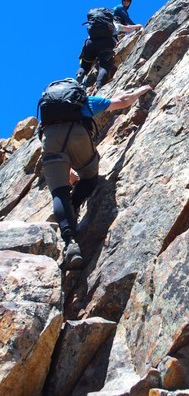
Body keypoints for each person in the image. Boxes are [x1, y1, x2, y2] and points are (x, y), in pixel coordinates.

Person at [40, 82, 153, 271]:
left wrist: (67, 173)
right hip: (77, 135)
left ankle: (70, 242)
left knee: (59, 194)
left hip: (50, 138)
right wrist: (142, 90)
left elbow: (49, 142)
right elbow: (122, 101)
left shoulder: (47, 114)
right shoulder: (80, 102)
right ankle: (75, 205)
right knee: (89, 176)